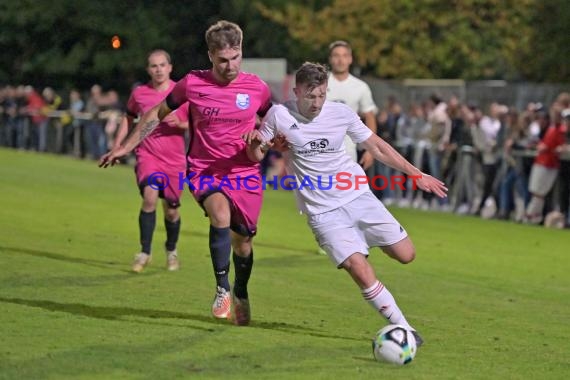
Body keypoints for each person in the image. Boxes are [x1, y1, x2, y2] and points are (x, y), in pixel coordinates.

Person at [243, 62, 448, 346]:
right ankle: (403, 328)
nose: (316, 103)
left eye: (322, 95)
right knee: (357, 266)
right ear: (297, 91)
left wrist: (416, 174)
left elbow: (376, 146)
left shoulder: (340, 113)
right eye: (310, 96)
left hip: (358, 197)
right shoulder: (279, 115)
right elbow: (255, 155)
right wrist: (256, 143)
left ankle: (361, 243)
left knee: (406, 254)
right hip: (322, 212)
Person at [99, 21, 273, 326]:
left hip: (244, 171)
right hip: (204, 169)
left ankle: (241, 291)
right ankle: (222, 288)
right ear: (210, 55)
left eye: (235, 57)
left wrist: (268, 139)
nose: (230, 65)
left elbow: (275, 120)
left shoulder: (256, 87)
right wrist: (126, 146)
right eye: (222, 59)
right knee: (219, 215)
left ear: (241, 51)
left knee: (243, 243)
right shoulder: (193, 84)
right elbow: (155, 113)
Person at [111, 49, 188, 273]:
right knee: (150, 198)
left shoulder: (181, 92)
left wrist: (181, 125)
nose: (158, 70)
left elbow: (200, 123)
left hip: (174, 160)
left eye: (162, 65)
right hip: (148, 156)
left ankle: (171, 250)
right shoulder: (139, 94)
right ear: (148, 70)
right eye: (154, 66)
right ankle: (144, 252)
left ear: (170, 67)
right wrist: (119, 146)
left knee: (171, 210)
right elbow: (128, 117)